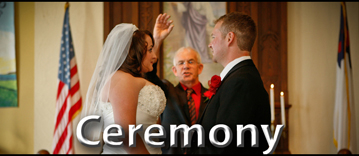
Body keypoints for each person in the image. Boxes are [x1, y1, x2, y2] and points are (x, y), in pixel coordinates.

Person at [80, 14, 174, 154]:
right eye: (149, 50)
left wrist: (158, 40)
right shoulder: (122, 80)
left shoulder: (129, 79)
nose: (154, 56)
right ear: (134, 52)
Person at [190, 12, 271, 154]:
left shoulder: (241, 82)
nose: (209, 44)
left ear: (229, 38)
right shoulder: (239, 77)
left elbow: (225, 146)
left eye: (214, 37)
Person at [145, 15, 209, 154]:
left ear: (200, 68)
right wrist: (157, 39)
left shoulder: (212, 96)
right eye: (181, 63)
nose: (186, 66)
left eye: (191, 62)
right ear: (174, 70)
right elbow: (148, 73)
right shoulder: (166, 91)